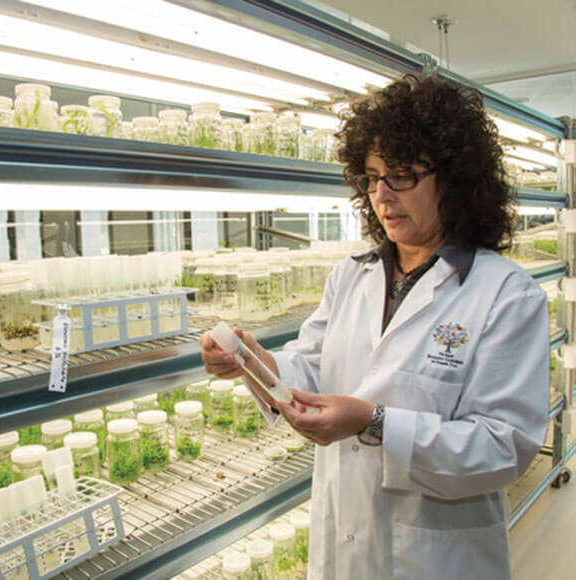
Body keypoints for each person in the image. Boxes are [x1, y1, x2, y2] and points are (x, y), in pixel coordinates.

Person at [200, 73, 549, 579]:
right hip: (344, 548)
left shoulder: (505, 294)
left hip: (436, 560)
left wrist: (374, 422)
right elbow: (315, 371)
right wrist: (256, 362)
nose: (382, 195)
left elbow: (503, 448)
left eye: (402, 175)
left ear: (452, 180)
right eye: (372, 176)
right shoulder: (352, 275)